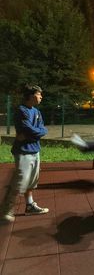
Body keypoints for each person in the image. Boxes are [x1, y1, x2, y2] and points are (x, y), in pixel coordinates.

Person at [0, 84, 49, 224]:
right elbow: (27, 129)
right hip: (23, 151)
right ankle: (6, 210)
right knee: (19, 181)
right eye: (39, 94)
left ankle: (30, 205)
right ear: (32, 95)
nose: (41, 96)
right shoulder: (21, 110)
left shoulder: (37, 112)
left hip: (35, 150)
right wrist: (35, 133)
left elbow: (42, 130)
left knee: (32, 181)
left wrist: (33, 134)